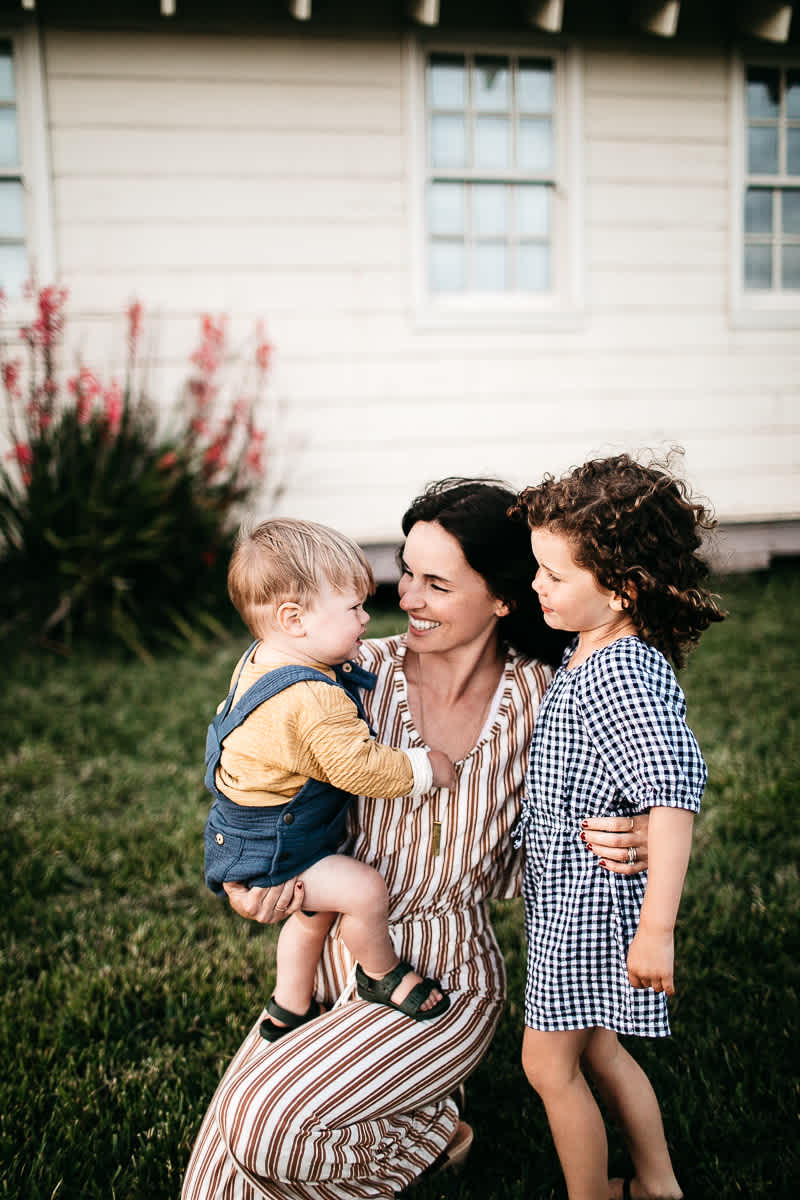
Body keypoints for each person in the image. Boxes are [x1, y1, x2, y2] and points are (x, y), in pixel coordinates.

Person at [183, 478, 650, 1200]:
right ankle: (414, 1115)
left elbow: (630, 786)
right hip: (331, 958)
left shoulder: (548, 699)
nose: (406, 597)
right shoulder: (346, 673)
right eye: (406, 572)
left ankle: (425, 1131)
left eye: (437, 583)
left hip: (444, 977)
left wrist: (633, 830)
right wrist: (250, 884)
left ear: (503, 598)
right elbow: (252, 780)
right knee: (216, 1186)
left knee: (262, 1129)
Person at [510, 454, 725, 1200]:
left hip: (589, 908)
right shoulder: (592, 647)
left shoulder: (620, 671)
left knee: (547, 1064)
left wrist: (657, 929)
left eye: (553, 574)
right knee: (597, 1049)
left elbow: (671, 792)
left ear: (623, 588)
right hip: (573, 896)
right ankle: (658, 1183)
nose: (536, 585)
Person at [204, 518, 456, 1035]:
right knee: (362, 890)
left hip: (244, 835)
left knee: (312, 913)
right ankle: (380, 974)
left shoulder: (262, 659)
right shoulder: (311, 699)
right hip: (276, 845)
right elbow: (358, 766)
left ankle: (290, 1003)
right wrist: (424, 767)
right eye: (354, 608)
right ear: (294, 619)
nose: (366, 618)